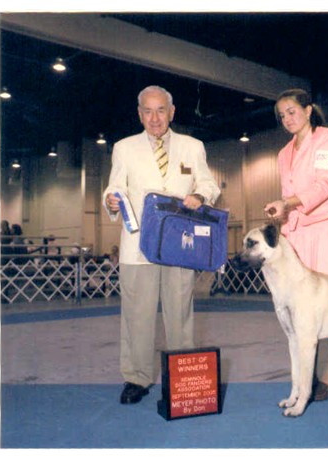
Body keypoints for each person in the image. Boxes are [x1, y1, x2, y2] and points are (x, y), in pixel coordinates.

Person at [103, 85, 220, 405]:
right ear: (139, 114)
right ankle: (136, 378)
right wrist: (111, 201)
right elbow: (114, 187)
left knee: (180, 314)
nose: (154, 118)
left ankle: (184, 376)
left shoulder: (193, 146)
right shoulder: (123, 148)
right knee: (136, 317)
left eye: (160, 110)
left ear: (172, 112)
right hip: (137, 246)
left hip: (179, 247)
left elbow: (208, 182)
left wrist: (203, 196)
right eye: (147, 111)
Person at [264, 89, 328, 402]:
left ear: (308, 110)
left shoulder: (327, 139)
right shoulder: (282, 154)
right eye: (282, 115)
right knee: (303, 311)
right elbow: (287, 194)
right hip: (300, 235)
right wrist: (283, 224)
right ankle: (305, 380)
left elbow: (326, 184)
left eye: (292, 111)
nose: (287, 119)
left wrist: (288, 202)